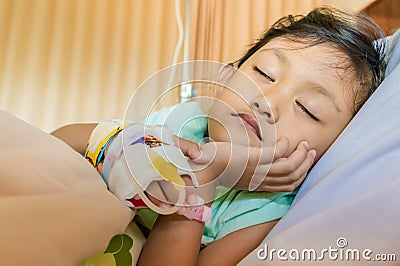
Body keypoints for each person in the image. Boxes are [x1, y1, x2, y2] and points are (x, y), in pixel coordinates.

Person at [51, 6, 386, 265]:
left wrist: (203, 175)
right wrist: (138, 138)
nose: (266, 102)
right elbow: (64, 141)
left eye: (308, 108)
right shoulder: (188, 123)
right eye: (263, 73)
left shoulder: (262, 212)